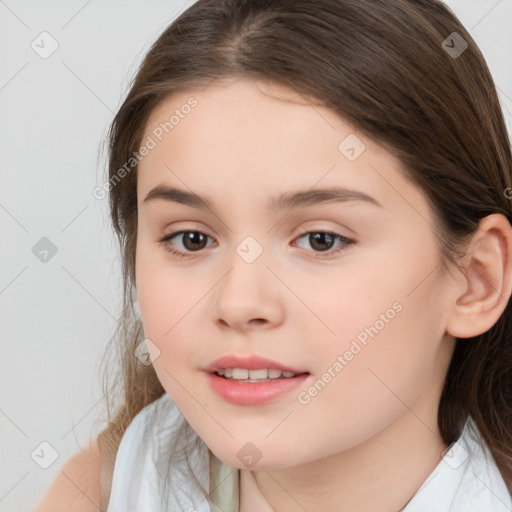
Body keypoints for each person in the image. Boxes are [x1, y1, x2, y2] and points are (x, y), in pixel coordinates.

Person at [35, 0, 512, 510]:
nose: (239, 303)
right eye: (191, 238)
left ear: (475, 280)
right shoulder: (107, 484)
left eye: (320, 239)